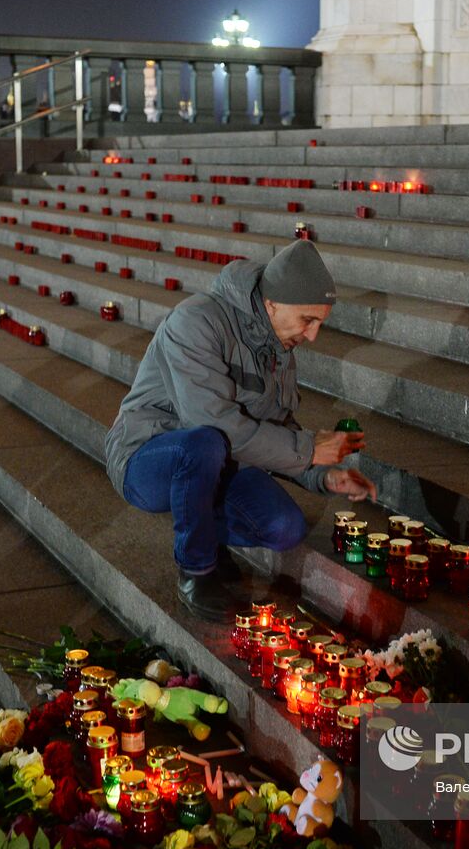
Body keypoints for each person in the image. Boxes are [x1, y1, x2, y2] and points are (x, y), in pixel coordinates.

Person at [105, 240, 376, 619]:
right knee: (202, 444)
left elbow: (278, 427)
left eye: (319, 323)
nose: (312, 335)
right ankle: (196, 570)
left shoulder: (278, 345)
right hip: (148, 454)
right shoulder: (196, 321)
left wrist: (324, 475)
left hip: (221, 460)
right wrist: (310, 447)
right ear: (272, 304)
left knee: (286, 527)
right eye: (307, 320)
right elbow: (212, 423)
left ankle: (204, 526)